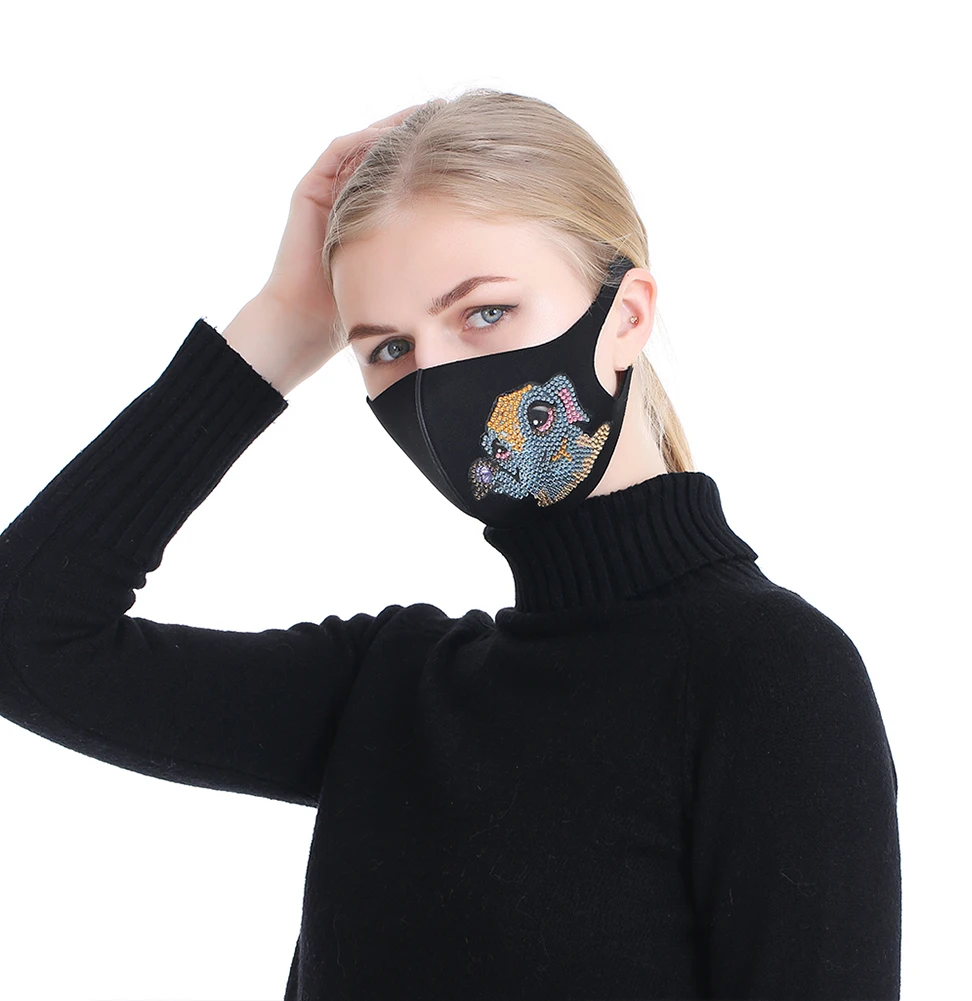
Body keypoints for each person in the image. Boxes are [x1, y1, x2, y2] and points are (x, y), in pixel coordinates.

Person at [0, 89, 901, 1000]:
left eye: (484, 313)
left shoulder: (770, 675)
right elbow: (25, 636)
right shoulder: (390, 689)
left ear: (625, 316)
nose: (436, 383)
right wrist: (281, 322)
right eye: (388, 349)